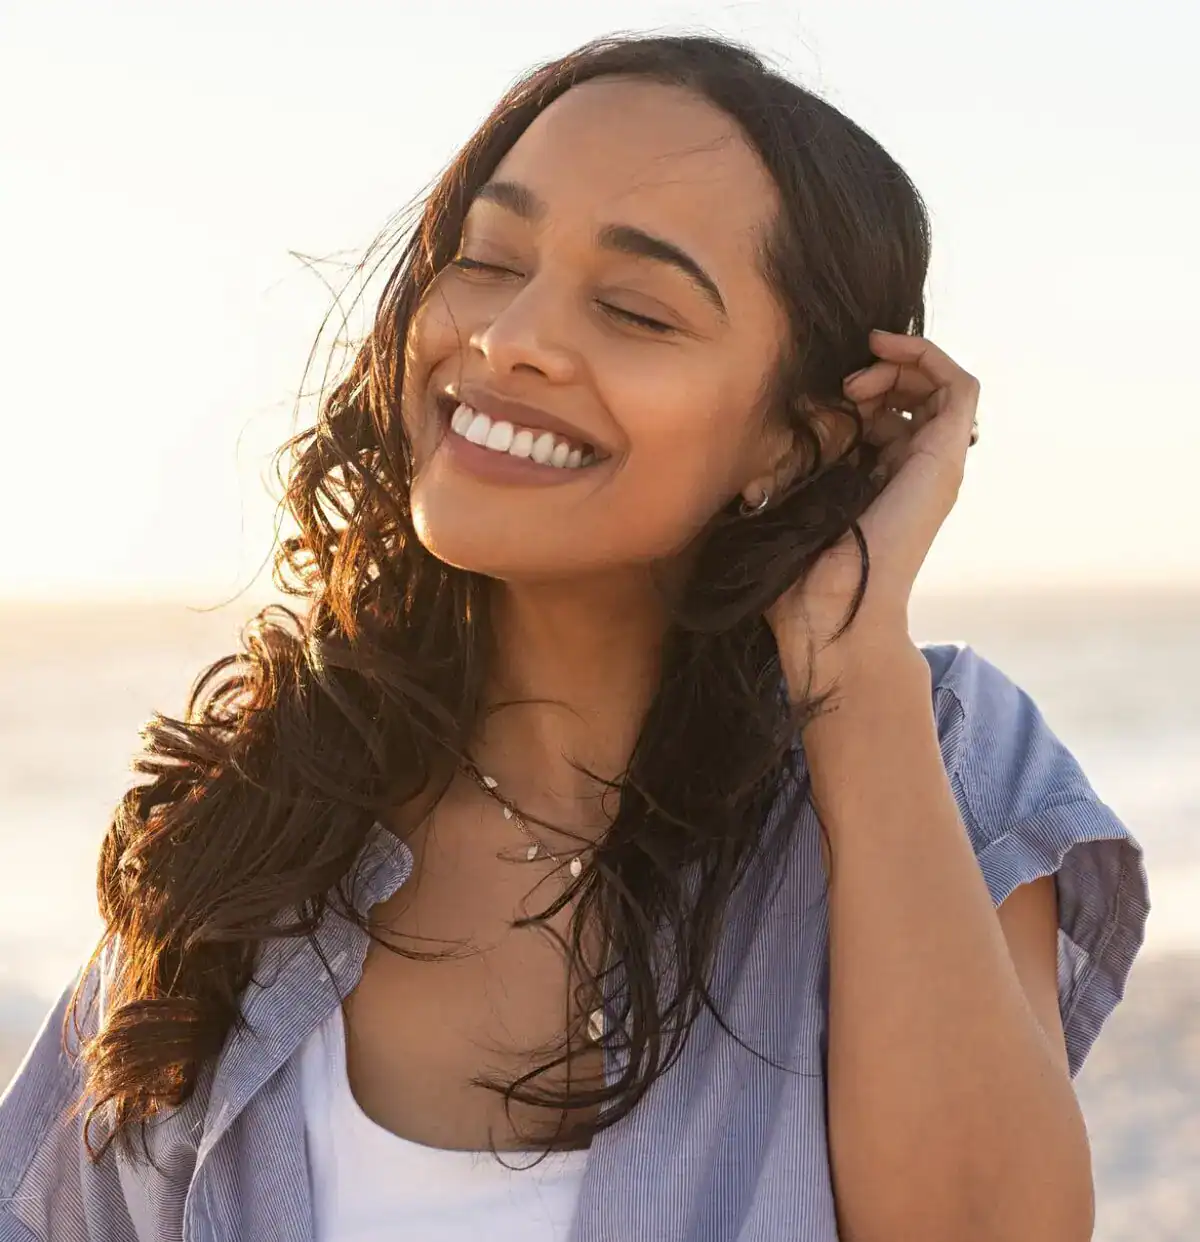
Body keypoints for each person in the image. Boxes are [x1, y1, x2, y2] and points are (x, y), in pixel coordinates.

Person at [0, 32, 1148, 1242]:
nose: (511, 338)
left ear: (791, 441)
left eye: (634, 309)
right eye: (489, 260)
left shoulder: (938, 759)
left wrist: (853, 659)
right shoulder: (250, 828)